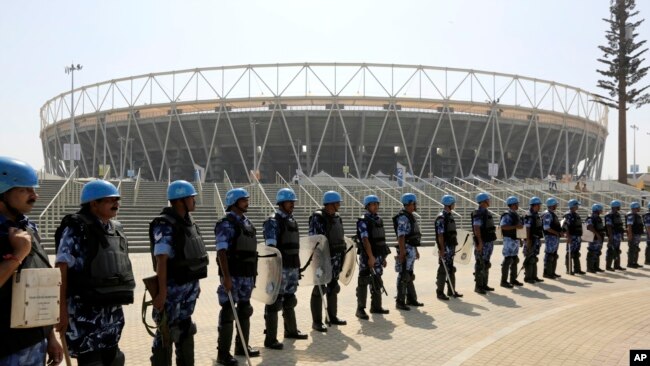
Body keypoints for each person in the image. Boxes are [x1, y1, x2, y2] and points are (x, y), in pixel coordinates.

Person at [55, 179, 135, 365]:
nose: (116, 203)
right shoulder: (76, 228)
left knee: (114, 359)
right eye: (109, 200)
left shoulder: (116, 229)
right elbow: (61, 268)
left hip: (112, 312)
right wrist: (61, 310)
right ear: (94, 204)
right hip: (85, 314)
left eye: (117, 199)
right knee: (91, 361)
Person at [0, 157, 63, 366]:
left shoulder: (29, 228)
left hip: (35, 343)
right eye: (25, 189)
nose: (34, 195)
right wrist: (19, 254)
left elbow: (39, 284)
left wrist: (50, 338)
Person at [149, 180, 209, 365]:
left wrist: (195, 286)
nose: (195, 201)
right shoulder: (165, 224)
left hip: (188, 289)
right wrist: (162, 293)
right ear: (180, 200)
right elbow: (161, 259)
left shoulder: (189, 222)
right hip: (172, 290)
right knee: (166, 333)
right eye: (192, 198)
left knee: (186, 330)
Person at [215, 188, 259, 365]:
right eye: (243, 200)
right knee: (228, 311)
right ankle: (223, 354)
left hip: (247, 274)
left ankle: (242, 347)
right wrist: (226, 277)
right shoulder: (226, 223)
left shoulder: (247, 223)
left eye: (246, 200)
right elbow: (221, 252)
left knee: (245, 309)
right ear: (234, 203)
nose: (246, 203)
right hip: (232, 274)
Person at [262, 188, 308, 350]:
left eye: (293, 202)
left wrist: (298, 266)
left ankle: (291, 331)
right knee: (275, 302)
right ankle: (270, 338)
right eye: (290, 202)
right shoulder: (273, 221)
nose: (292, 205)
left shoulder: (292, 220)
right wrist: (274, 271)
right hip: (280, 268)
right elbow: (271, 248)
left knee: (290, 299)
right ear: (281, 203)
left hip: (292, 266)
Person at [309, 191, 347, 331]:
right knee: (319, 289)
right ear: (330, 204)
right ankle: (317, 321)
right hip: (322, 259)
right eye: (337, 203)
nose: (339, 205)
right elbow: (315, 241)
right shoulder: (318, 218)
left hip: (336, 258)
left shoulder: (337, 217)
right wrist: (318, 261)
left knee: (333, 287)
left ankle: (332, 316)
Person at [355, 195, 390, 319]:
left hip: (379, 255)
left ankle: (376, 306)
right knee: (363, 281)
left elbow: (381, 240)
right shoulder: (363, 220)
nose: (375, 206)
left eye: (377, 204)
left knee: (377, 280)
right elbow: (365, 240)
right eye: (373, 204)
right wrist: (370, 257)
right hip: (367, 256)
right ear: (367, 206)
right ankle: (360, 309)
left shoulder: (378, 219)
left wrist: (384, 257)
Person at [393, 193, 423, 310]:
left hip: (411, 249)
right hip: (405, 250)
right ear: (408, 204)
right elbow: (401, 236)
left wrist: (416, 250)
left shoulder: (410, 216)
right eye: (413, 203)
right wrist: (402, 252)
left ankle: (411, 299)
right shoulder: (403, 217)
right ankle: (400, 301)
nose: (415, 206)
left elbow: (412, 236)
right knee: (403, 275)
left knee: (409, 274)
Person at [434, 194, 463, 300]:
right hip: (445, 247)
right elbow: (440, 235)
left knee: (450, 268)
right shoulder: (441, 217)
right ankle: (440, 292)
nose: (454, 205)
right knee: (443, 269)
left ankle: (451, 290)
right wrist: (441, 249)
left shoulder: (449, 215)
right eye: (453, 203)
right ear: (449, 204)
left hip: (450, 247)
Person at [499, 196, 524, 288]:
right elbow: (503, 226)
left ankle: (513, 279)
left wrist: (520, 239)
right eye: (516, 203)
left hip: (515, 239)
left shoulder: (515, 214)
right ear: (512, 204)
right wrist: (515, 227)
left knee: (514, 259)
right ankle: (503, 281)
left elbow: (518, 228)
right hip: (509, 239)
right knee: (507, 260)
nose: (518, 205)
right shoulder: (507, 215)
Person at [523, 197, 544, 283]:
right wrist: (528, 240)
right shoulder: (529, 215)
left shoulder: (536, 215)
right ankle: (528, 277)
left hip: (536, 239)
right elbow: (527, 228)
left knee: (534, 258)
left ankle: (534, 276)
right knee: (529, 258)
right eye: (538, 205)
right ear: (533, 205)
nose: (539, 207)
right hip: (530, 239)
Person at [563, 199, 585, 275]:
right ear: (573, 206)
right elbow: (565, 226)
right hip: (572, 237)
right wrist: (568, 237)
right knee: (569, 253)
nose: (577, 206)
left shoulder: (576, 214)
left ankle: (577, 269)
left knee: (576, 253)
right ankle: (569, 270)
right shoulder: (568, 215)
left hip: (577, 237)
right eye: (576, 205)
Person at [542, 198, 562, 279]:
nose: (556, 206)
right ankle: (547, 273)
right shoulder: (547, 214)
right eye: (555, 205)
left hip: (554, 237)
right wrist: (557, 233)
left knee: (554, 255)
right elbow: (546, 227)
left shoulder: (552, 214)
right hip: (550, 237)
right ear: (552, 205)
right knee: (549, 255)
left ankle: (552, 272)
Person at [605, 200, 626, 271]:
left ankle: (617, 265)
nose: (620, 207)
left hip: (618, 235)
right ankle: (608, 266)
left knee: (617, 250)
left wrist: (622, 235)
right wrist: (610, 236)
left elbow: (620, 225)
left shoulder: (617, 214)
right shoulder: (609, 215)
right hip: (613, 235)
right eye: (619, 206)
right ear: (615, 206)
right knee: (611, 250)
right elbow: (608, 226)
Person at [585, 204, 606, 273]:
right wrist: (597, 234)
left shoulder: (597, 217)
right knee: (592, 252)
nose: (601, 211)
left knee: (597, 252)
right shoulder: (591, 217)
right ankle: (590, 268)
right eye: (600, 209)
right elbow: (589, 226)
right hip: (594, 238)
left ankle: (596, 267)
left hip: (598, 238)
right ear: (597, 210)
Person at [625, 202, 644, 268]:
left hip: (637, 235)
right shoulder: (631, 215)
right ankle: (630, 263)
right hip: (633, 234)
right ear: (635, 207)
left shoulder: (637, 215)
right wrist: (630, 234)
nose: (639, 208)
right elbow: (629, 225)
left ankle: (635, 262)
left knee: (636, 249)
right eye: (638, 207)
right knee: (632, 249)